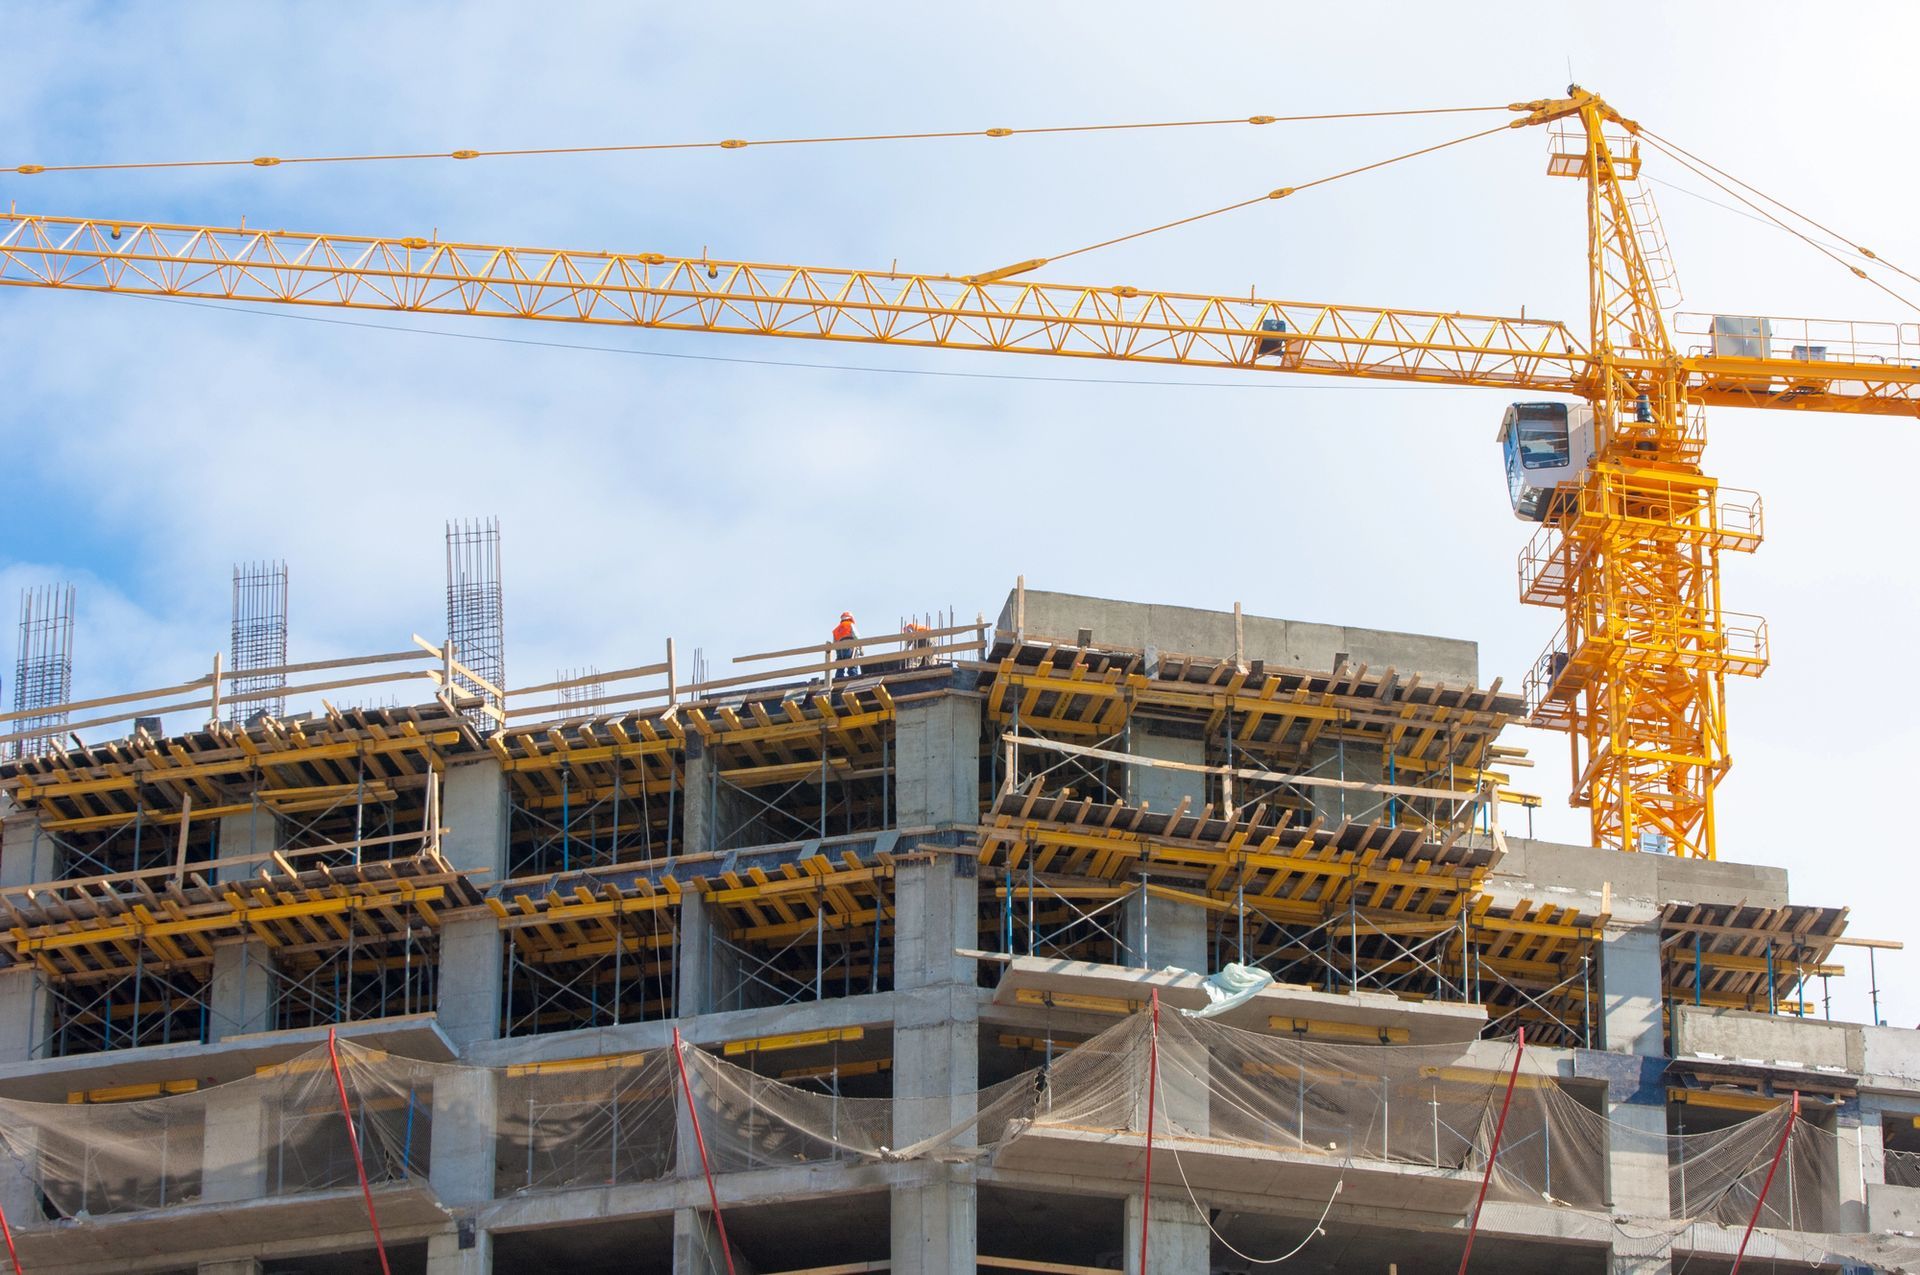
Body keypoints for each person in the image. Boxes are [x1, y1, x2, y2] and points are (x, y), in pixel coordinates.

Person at [832, 611, 859, 679]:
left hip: (839, 650)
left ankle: (838, 678)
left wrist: (838, 652)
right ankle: (853, 677)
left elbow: (834, 643)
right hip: (849, 647)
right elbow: (856, 637)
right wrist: (861, 648)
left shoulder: (836, 629)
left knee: (840, 666)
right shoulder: (850, 625)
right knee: (852, 664)